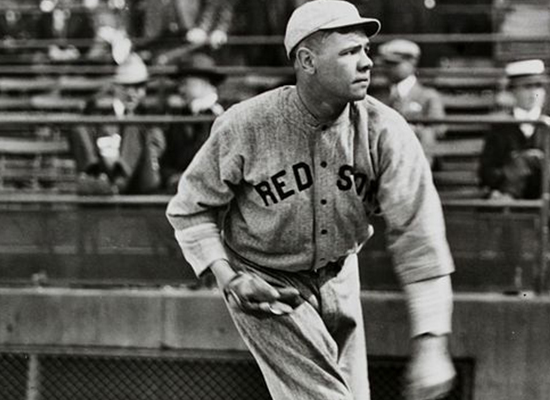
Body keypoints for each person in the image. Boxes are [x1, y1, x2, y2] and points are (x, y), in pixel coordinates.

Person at [165, 2, 456, 400]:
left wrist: (432, 344)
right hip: (267, 281)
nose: (367, 62)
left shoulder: (385, 131)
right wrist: (228, 277)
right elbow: (190, 209)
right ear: (307, 61)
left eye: (366, 50)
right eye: (350, 52)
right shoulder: (246, 124)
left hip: (340, 273)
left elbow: (420, 238)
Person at [478, 59, 550, 231]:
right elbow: (486, 172)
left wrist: (544, 166)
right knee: (526, 161)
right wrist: (513, 170)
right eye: (527, 87)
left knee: (531, 161)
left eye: (538, 87)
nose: (534, 93)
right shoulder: (499, 129)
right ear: (513, 91)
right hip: (517, 208)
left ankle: (510, 194)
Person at [71, 53, 166, 195]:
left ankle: (117, 180)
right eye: (126, 87)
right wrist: (107, 151)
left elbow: (157, 147)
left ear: (144, 90)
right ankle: (94, 176)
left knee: (134, 125)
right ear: (116, 87)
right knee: (80, 127)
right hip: (104, 171)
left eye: (138, 87)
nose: (131, 93)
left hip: (139, 178)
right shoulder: (99, 111)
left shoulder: (149, 115)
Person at [161, 52, 226, 193]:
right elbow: (168, 158)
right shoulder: (179, 116)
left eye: (185, 83)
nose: (181, 89)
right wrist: (171, 177)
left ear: (204, 82)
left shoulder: (224, 115)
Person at [375, 39, 446, 168]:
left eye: (394, 64)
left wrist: (410, 130)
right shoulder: (380, 97)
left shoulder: (428, 96)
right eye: (385, 64)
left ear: (412, 62)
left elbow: (439, 129)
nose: (387, 69)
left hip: (417, 159)